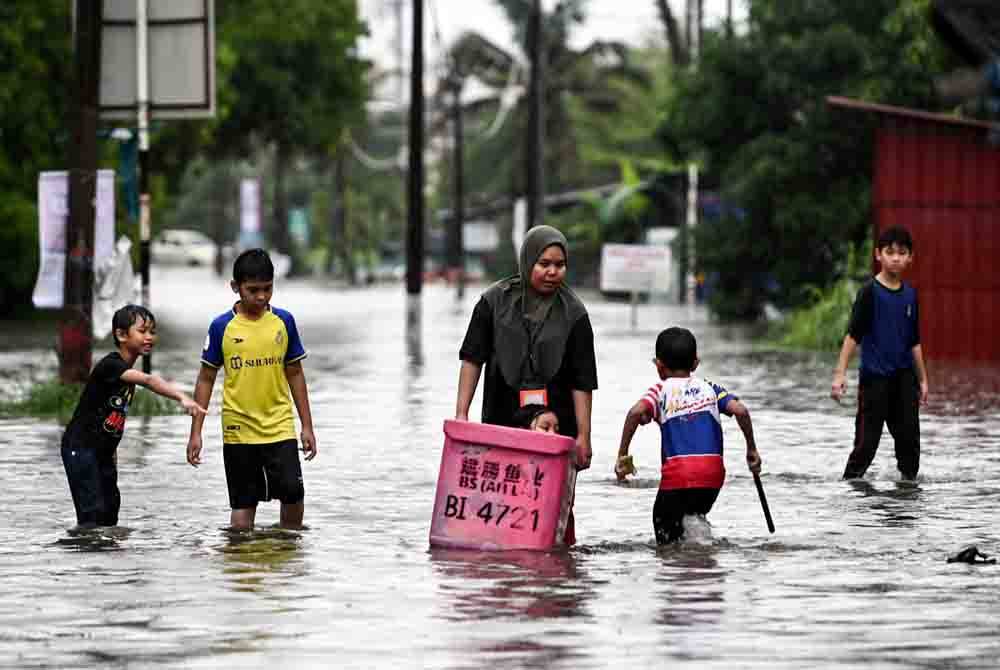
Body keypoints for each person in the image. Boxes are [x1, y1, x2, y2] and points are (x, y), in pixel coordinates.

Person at [186, 249, 317, 530]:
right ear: (235, 287)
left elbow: (295, 373)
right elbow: (206, 378)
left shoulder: (284, 322)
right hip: (238, 431)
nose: (261, 297)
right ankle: (242, 568)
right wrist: (196, 431)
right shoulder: (222, 327)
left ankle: (289, 562)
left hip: (279, 426)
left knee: (293, 497)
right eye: (253, 290)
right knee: (243, 508)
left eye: (267, 289)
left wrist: (307, 426)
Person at [456, 225, 597, 471]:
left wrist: (584, 436)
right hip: (501, 417)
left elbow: (582, 380)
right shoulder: (493, 302)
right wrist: (461, 415)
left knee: (555, 501)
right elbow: (472, 359)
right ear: (528, 260)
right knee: (503, 491)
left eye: (560, 265)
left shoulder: (575, 313)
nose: (553, 272)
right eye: (544, 264)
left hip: (557, 426)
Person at [61, 305, 206, 527]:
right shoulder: (111, 365)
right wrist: (182, 398)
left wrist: (111, 456)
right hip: (80, 448)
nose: (149, 337)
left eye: (152, 331)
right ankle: (86, 555)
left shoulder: (125, 373)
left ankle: (106, 557)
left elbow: (109, 421)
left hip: (103, 452)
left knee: (110, 511)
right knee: (93, 514)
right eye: (143, 331)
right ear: (121, 335)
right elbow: (149, 380)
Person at [615, 327, 761, 544]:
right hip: (712, 478)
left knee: (665, 532)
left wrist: (622, 455)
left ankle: (680, 564)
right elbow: (740, 410)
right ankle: (702, 555)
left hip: (678, 477)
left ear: (659, 366)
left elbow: (636, 413)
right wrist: (751, 449)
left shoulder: (660, 390)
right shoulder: (710, 388)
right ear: (695, 363)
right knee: (693, 516)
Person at [831, 225, 929, 481]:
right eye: (890, 252)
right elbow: (853, 336)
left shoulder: (910, 295)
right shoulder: (869, 293)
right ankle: (851, 485)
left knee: (910, 442)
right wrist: (840, 374)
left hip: (904, 379)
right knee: (867, 444)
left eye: (902, 252)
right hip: (875, 380)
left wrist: (923, 380)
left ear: (910, 257)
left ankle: (906, 493)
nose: (895, 257)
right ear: (878, 255)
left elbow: (914, 342)